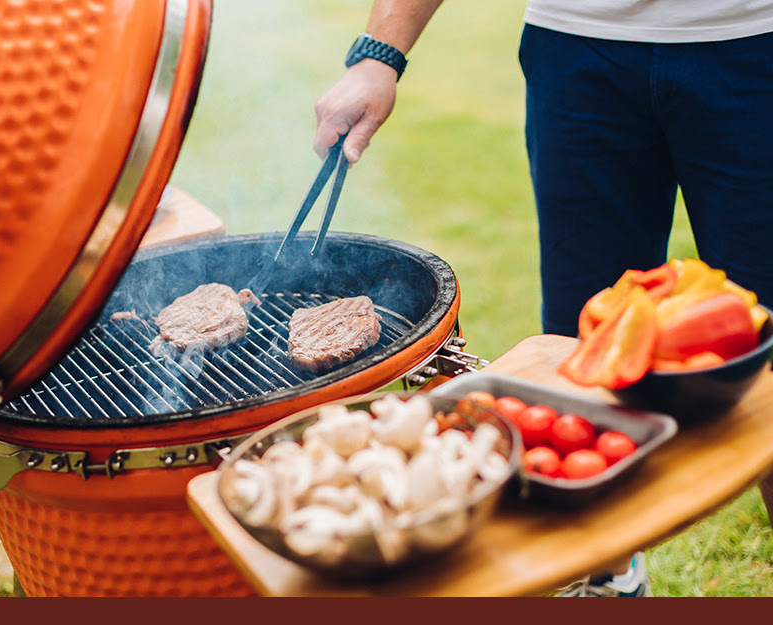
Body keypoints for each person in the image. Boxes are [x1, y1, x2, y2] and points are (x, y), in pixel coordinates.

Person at [313, 0, 773, 597]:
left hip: (751, 40)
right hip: (578, 48)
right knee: (581, 349)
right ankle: (609, 578)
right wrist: (379, 55)